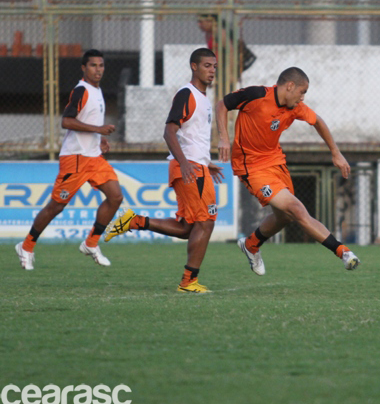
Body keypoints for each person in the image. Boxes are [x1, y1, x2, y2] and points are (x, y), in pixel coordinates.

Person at [215, 66, 359, 274]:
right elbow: (222, 105)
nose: (302, 98)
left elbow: (318, 121)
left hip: (276, 163)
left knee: (285, 216)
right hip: (252, 168)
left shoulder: (295, 107)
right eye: (302, 92)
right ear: (290, 86)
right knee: (297, 209)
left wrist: (335, 153)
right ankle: (343, 252)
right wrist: (223, 138)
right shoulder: (256, 95)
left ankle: (251, 245)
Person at [105, 48, 224, 293]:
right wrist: (185, 162)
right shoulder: (186, 94)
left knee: (188, 228)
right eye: (207, 66)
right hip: (189, 167)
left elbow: (193, 135)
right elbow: (169, 131)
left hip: (196, 164)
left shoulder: (203, 98)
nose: (212, 70)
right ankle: (188, 282)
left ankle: (136, 221)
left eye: (214, 66)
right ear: (194, 66)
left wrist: (204, 160)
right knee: (206, 223)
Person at [15, 49, 123, 270]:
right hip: (74, 159)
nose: (98, 69)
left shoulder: (96, 90)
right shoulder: (81, 90)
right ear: (84, 68)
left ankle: (91, 243)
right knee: (56, 206)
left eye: (101, 65)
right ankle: (26, 246)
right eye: (93, 65)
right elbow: (67, 121)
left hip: (93, 157)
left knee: (115, 197)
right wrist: (99, 129)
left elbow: (89, 120)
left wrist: (100, 138)